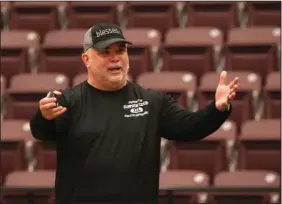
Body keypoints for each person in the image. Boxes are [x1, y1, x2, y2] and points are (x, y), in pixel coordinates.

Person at [30, 22, 239, 204]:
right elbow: (42, 133)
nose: (115, 58)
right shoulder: (69, 101)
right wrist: (44, 117)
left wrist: (218, 109)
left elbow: (191, 128)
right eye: (105, 52)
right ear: (86, 59)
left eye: (120, 51)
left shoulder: (151, 101)